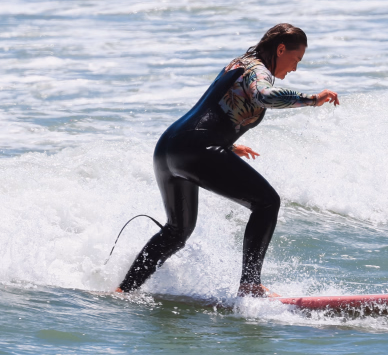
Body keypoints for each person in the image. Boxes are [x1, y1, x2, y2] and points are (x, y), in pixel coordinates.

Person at [116, 23, 339, 297]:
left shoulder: (239, 63)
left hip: (169, 148)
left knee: (177, 231)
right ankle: (250, 286)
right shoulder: (258, 71)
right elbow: (265, 96)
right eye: (296, 60)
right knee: (267, 203)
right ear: (281, 49)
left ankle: (123, 290)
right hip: (197, 148)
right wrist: (313, 99)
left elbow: (215, 107)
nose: (294, 68)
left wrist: (229, 145)